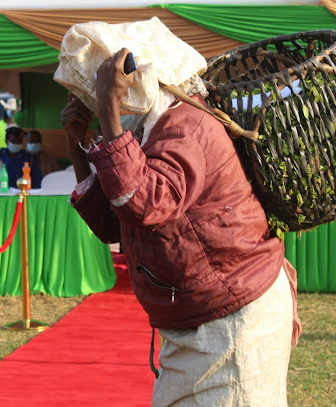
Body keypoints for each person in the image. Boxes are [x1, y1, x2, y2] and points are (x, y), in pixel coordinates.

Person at [60, 39, 298, 405]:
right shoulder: (150, 127)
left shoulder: (185, 124)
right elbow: (114, 225)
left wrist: (108, 110)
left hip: (232, 318)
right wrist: (78, 142)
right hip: (201, 318)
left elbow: (143, 203)